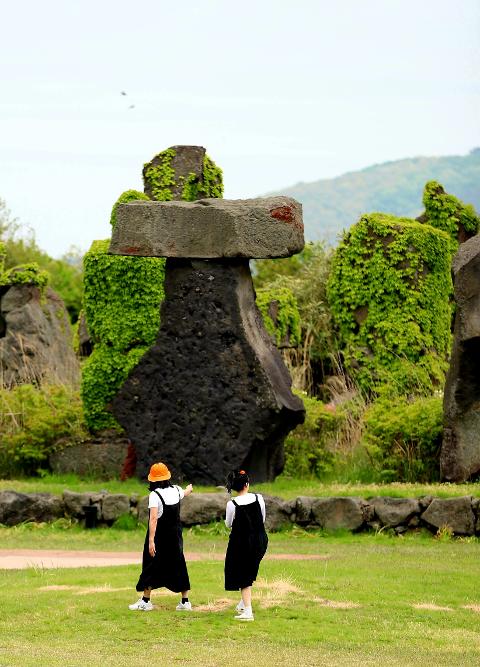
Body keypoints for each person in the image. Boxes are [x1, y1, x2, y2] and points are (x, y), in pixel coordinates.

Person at [129, 462, 193, 612]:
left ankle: (145, 601)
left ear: (152, 480)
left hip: (159, 535)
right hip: (175, 535)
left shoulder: (154, 495)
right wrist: (189, 488)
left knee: (151, 564)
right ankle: (185, 601)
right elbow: (185, 492)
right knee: (179, 563)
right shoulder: (176, 490)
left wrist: (151, 540)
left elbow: (153, 519)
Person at [224, 469, 268, 622]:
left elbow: (228, 524)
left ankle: (248, 611)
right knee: (249, 571)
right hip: (260, 541)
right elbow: (262, 518)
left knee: (243, 576)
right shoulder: (259, 498)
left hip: (242, 544)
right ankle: (244, 603)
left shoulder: (232, 504)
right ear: (247, 484)